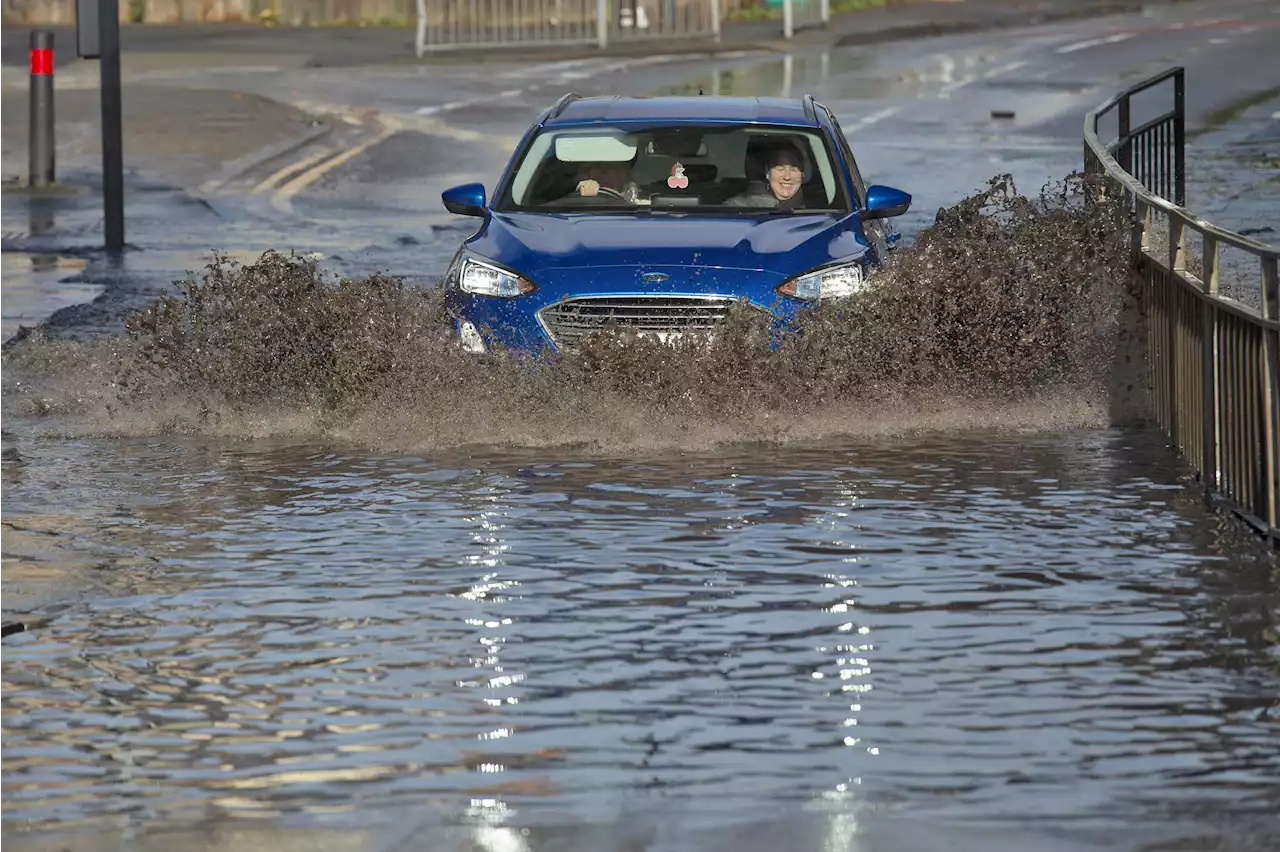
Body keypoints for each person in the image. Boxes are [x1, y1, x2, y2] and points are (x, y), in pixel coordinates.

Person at [724, 143, 807, 209]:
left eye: (794, 169)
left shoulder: (815, 205)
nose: (787, 177)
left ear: (802, 174)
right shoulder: (740, 206)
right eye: (779, 168)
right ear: (767, 172)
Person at [571, 160, 645, 203]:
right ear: (587, 173)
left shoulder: (640, 206)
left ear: (623, 174)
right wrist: (583, 199)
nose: (603, 172)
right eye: (597, 167)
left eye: (611, 167)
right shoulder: (572, 203)